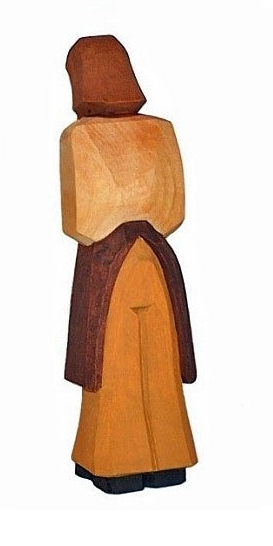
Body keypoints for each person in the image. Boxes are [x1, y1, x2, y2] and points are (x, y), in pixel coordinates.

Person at [61, 35, 198, 494]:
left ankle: (146, 458)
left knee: (140, 363)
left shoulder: (83, 137)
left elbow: (86, 220)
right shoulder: (145, 132)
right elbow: (162, 211)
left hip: (122, 264)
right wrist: (139, 208)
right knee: (125, 364)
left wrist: (118, 208)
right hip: (143, 263)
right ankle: (127, 458)